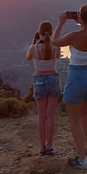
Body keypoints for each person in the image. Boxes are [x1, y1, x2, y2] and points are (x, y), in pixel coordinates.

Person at [52, 5, 87, 169]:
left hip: (77, 77)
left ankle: (82, 160)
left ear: (81, 17)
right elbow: (86, 40)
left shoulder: (74, 35)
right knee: (84, 113)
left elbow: (54, 41)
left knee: (73, 119)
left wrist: (60, 23)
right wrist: (80, 22)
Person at [26, 21, 61, 156]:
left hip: (39, 79)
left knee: (42, 116)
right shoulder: (55, 47)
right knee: (50, 115)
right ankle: (50, 145)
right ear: (51, 33)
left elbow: (28, 58)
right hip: (53, 78)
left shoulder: (34, 48)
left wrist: (34, 41)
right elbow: (57, 57)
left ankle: (42, 148)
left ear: (38, 32)